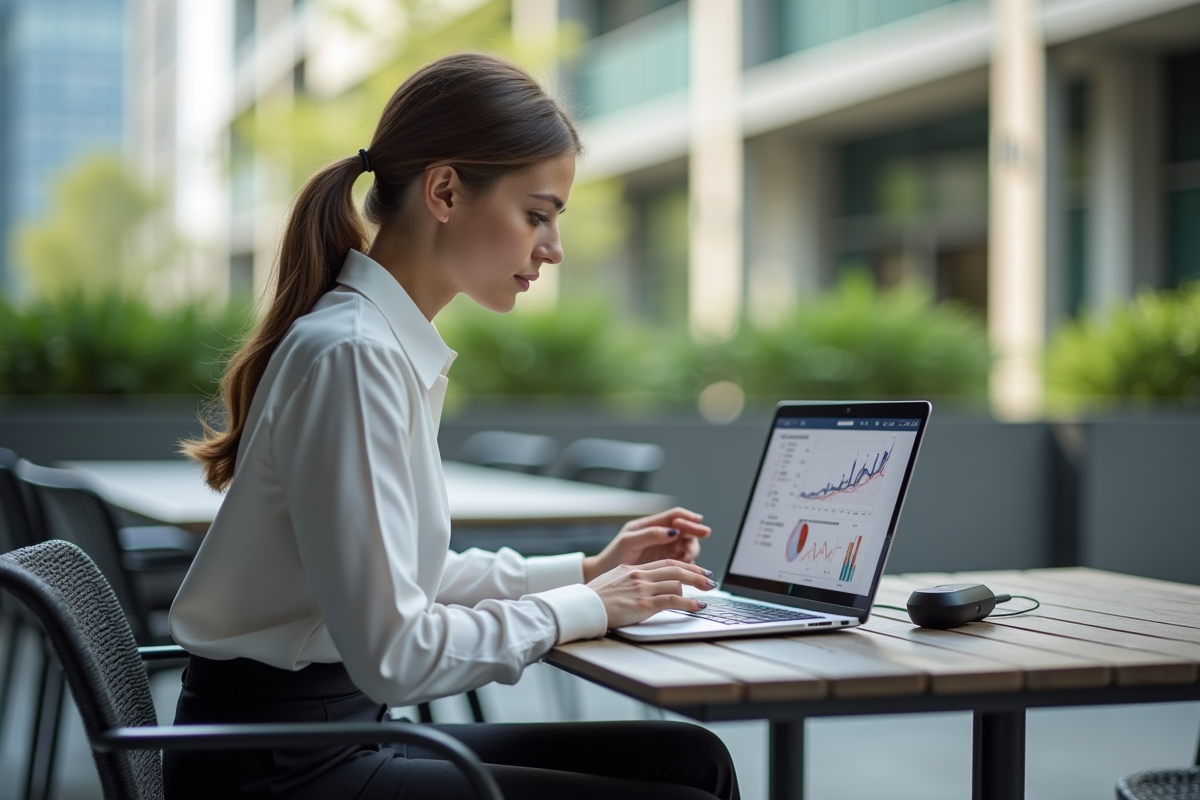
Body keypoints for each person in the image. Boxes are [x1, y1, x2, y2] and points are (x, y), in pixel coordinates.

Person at [167, 53, 740, 800]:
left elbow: (406, 579)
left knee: (689, 760)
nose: (553, 247)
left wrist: (587, 572)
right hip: (279, 767)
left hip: (325, 733)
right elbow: (398, 652)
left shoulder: (376, 345)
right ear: (444, 191)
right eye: (536, 214)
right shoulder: (353, 355)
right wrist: (590, 608)